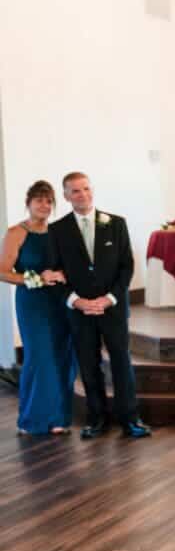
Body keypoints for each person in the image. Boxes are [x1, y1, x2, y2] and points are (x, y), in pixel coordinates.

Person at [47, 172, 149, 439]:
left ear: (92, 190)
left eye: (86, 189)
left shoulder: (116, 224)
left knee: (121, 361)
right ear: (67, 196)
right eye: (76, 191)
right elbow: (54, 272)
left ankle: (130, 418)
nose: (83, 195)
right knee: (88, 363)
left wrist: (109, 298)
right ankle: (97, 419)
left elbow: (127, 267)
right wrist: (76, 301)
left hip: (112, 307)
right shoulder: (57, 230)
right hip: (80, 310)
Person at [0, 181, 76, 435]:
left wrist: (65, 274)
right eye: (39, 200)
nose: (44, 205)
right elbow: (3, 272)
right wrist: (35, 279)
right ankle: (32, 419)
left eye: (48, 201)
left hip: (60, 302)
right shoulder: (16, 233)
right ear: (29, 203)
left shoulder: (57, 232)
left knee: (62, 355)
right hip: (32, 303)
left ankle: (58, 418)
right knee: (39, 356)